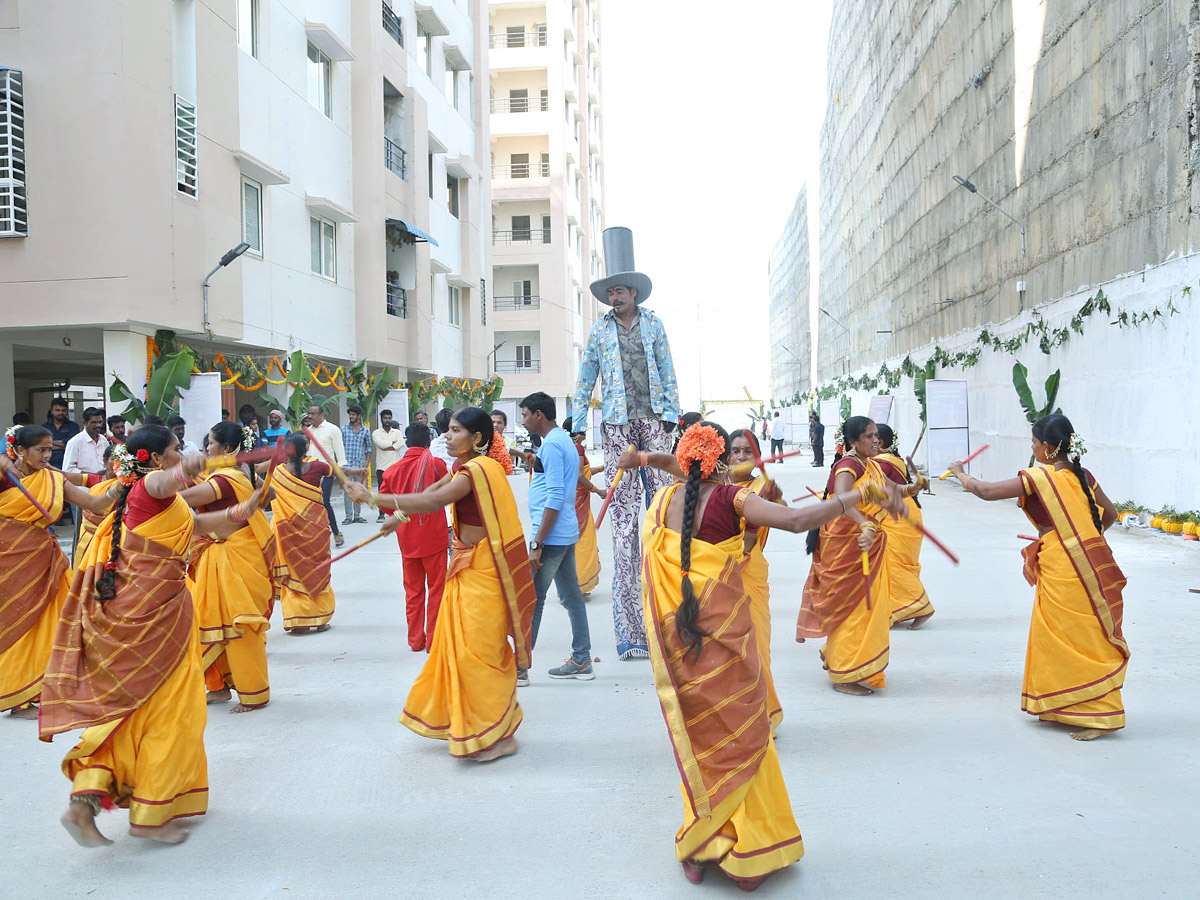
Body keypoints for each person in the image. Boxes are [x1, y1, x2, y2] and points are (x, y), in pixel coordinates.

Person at [639, 422, 903, 889]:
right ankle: (749, 848)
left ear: (686, 460)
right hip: (727, 632)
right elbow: (800, 521)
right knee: (744, 729)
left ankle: (702, 844)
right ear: (722, 462)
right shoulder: (733, 499)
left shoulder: (663, 503)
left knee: (701, 734)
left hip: (679, 637)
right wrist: (857, 498)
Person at [38, 425, 222, 846]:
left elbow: (195, 525)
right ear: (155, 459)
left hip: (137, 617)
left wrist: (242, 511)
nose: (183, 453)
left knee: (124, 715)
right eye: (177, 449)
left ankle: (82, 807)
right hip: (153, 622)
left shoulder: (152, 496)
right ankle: (151, 814)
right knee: (171, 713)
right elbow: (161, 482)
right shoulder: (149, 488)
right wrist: (183, 471)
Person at [346, 407, 536, 763]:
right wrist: (398, 517)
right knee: (462, 651)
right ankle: (478, 724)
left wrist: (373, 499)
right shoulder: (462, 469)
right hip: (466, 565)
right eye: (446, 430)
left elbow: (434, 501)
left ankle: (497, 734)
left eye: (454, 430)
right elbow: (434, 489)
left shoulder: (477, 471)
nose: (446, 436)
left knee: (478, 654)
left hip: (483, 571)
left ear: (476, 439)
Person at [949, 414, 1127, 741]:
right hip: (1089, 556)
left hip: (1063, 563)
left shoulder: (1039, 477)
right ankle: (1069, 705)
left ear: (1047, 447)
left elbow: (986, 491)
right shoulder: (1082, 474)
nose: (1031, 448)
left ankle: (1100, 714)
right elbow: (1112, 515)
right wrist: (1083, 537)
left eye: (1033, 442)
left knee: (1070, 638)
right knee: (1082, 635)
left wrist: (960, 473)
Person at [572, 226, 681, 659]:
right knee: (623, 526)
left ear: (634, 292)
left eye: (620, 290)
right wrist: (578, 422)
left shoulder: (655, 326)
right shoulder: (599, 333)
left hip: (654, 423)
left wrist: (671, 416)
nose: (614, 297)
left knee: (664, 514)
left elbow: (668, 371)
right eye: (610, 292)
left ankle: (669, 622)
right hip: (617, 428)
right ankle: (631, 632)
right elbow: (585, 381)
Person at [1, 426, 119, 719]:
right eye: (40, 450)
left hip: (46, 563)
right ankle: (19, 698)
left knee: (59, 622)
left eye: (49, 449)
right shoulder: (4, 478)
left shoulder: (53, 478)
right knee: (19, 626)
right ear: (20, 450)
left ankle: (46, 690)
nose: (47, 455)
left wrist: (121, 486)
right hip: (10, 564)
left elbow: (93, 501)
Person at [182, 421, 275, 713]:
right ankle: (218, 686)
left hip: (235, 557)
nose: (206, 448)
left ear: (223, 448)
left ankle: (253, 693)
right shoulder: (238, 473)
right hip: (220, 555)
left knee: (240, 626)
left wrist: (146, 488)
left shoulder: (223, 480)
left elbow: (182, 501)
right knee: (210, 623)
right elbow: (267, 495)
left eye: (209, 443)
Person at [797, 416, 894, 695]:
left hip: (866, 540)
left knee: (864, 604)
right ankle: (844, 672)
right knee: (854, 605)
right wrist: (863, 522)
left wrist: (910, 489)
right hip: (847, 541)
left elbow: (887, 492)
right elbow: (841, 498)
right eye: (870, 436)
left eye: (877, 435)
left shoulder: (870, 464)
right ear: (853, 442)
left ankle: (837, 653)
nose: (876, 440)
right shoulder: (849, 465)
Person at [519, 392, 593, 684]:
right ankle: (582, 658)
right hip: (563, 531)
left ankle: (520, 667)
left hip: (552, 535)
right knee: (572, 596)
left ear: (539, 415)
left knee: (533, 599)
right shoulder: (563, 441)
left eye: (525, 415)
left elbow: (555, 496)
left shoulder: (552, 445)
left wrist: (537, 542)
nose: (523, 421)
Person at [379, 424, 449, 652]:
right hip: (435, 537)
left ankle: (416, 640)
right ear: (429, 442)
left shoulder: (392, 471)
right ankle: (434, 640)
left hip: (407, 539)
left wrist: (400, 512)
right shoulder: (437, 465)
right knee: (437, 590)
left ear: (407, 442)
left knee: (413, 592)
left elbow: (384, 504)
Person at [271, 432, 337, 633]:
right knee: (317, 569)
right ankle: (320, 619)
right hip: (315, 529)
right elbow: (337, 471)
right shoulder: (318, 466)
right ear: (306, 449)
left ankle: (297, 620)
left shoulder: (278, 473)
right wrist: (358, 472)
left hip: (287, 530)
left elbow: (268, 495)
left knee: (294, 572)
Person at [872, 424, 934, 628]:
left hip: (896, 515)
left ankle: (921, 606)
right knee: (890, 564)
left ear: (879, 442)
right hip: (906, 512)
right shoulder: (895, 459)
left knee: (892, 564)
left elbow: (879, 490)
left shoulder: (880, 463)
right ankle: (895, 609)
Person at [564, 416, 604, 598]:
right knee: (582, 542)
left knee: (573, 541)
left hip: (570, 498)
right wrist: (599, 491)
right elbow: (580, 477)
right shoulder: (578, 447)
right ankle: (578, 586)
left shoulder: (566, 446)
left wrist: (603, 468)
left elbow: (584, 472)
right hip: (579, 500)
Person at [305, 404, 347, 548]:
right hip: (309, 472)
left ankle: (336, 532)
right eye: (308, 413)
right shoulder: (307, 431)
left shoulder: (333, 430)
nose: (310, 416)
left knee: (324, 502)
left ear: (322, 414)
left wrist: (341, 477)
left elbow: (340, 456)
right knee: (310, 504)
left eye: (313, 413)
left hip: (327, 472)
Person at [70, 446, 119, 566]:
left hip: (112, 538)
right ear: (105, 461)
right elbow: (64, 477)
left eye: (122, 460)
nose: (117, 464)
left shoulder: (127, 484)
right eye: (114, 459)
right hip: (88, 535)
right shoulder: (96, 480)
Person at [340, 405, 372, 525]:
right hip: (346, 465)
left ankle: (357, 515)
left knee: (358, 490)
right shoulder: (343, 429)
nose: (351, 417)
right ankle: (348, 516)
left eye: (353, 415)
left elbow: (368, 448)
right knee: (347, 490)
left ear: (359, 416)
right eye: (350, 414)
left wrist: (366, 464)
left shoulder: (365, 430)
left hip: (359, 465)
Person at [372, 409, 404, 523]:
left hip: (395, 466)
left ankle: (396, 511)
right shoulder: (376, 433)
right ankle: (381, 514)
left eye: (389, 418)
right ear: (381, 419)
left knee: (396, 490)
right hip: (382, 466)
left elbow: (401, 443)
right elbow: (380, 444)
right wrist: (393, 444)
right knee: (382, 491)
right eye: (385, 418)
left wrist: (390, 446)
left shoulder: (397, 432)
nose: (387, 420)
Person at [63, 407, 110, 477]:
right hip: (83, 486)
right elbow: (68, 470)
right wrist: (93, 475)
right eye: (94, 422)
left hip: (103, 484)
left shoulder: (104, 440)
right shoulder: (75, 442)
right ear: (84, 423)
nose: (98, 425)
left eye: (100, 422)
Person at [43, 397, 80, 471]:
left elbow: (71, 443)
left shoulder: (73, 426)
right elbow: (42, 445)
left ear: (67, 411)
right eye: (57, 410)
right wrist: (63, 445)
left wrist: (50, 444)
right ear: (51, 411)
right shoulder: (44, 427)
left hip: (68, 465)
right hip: (48, 465)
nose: (60, 413)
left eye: (63, 410)